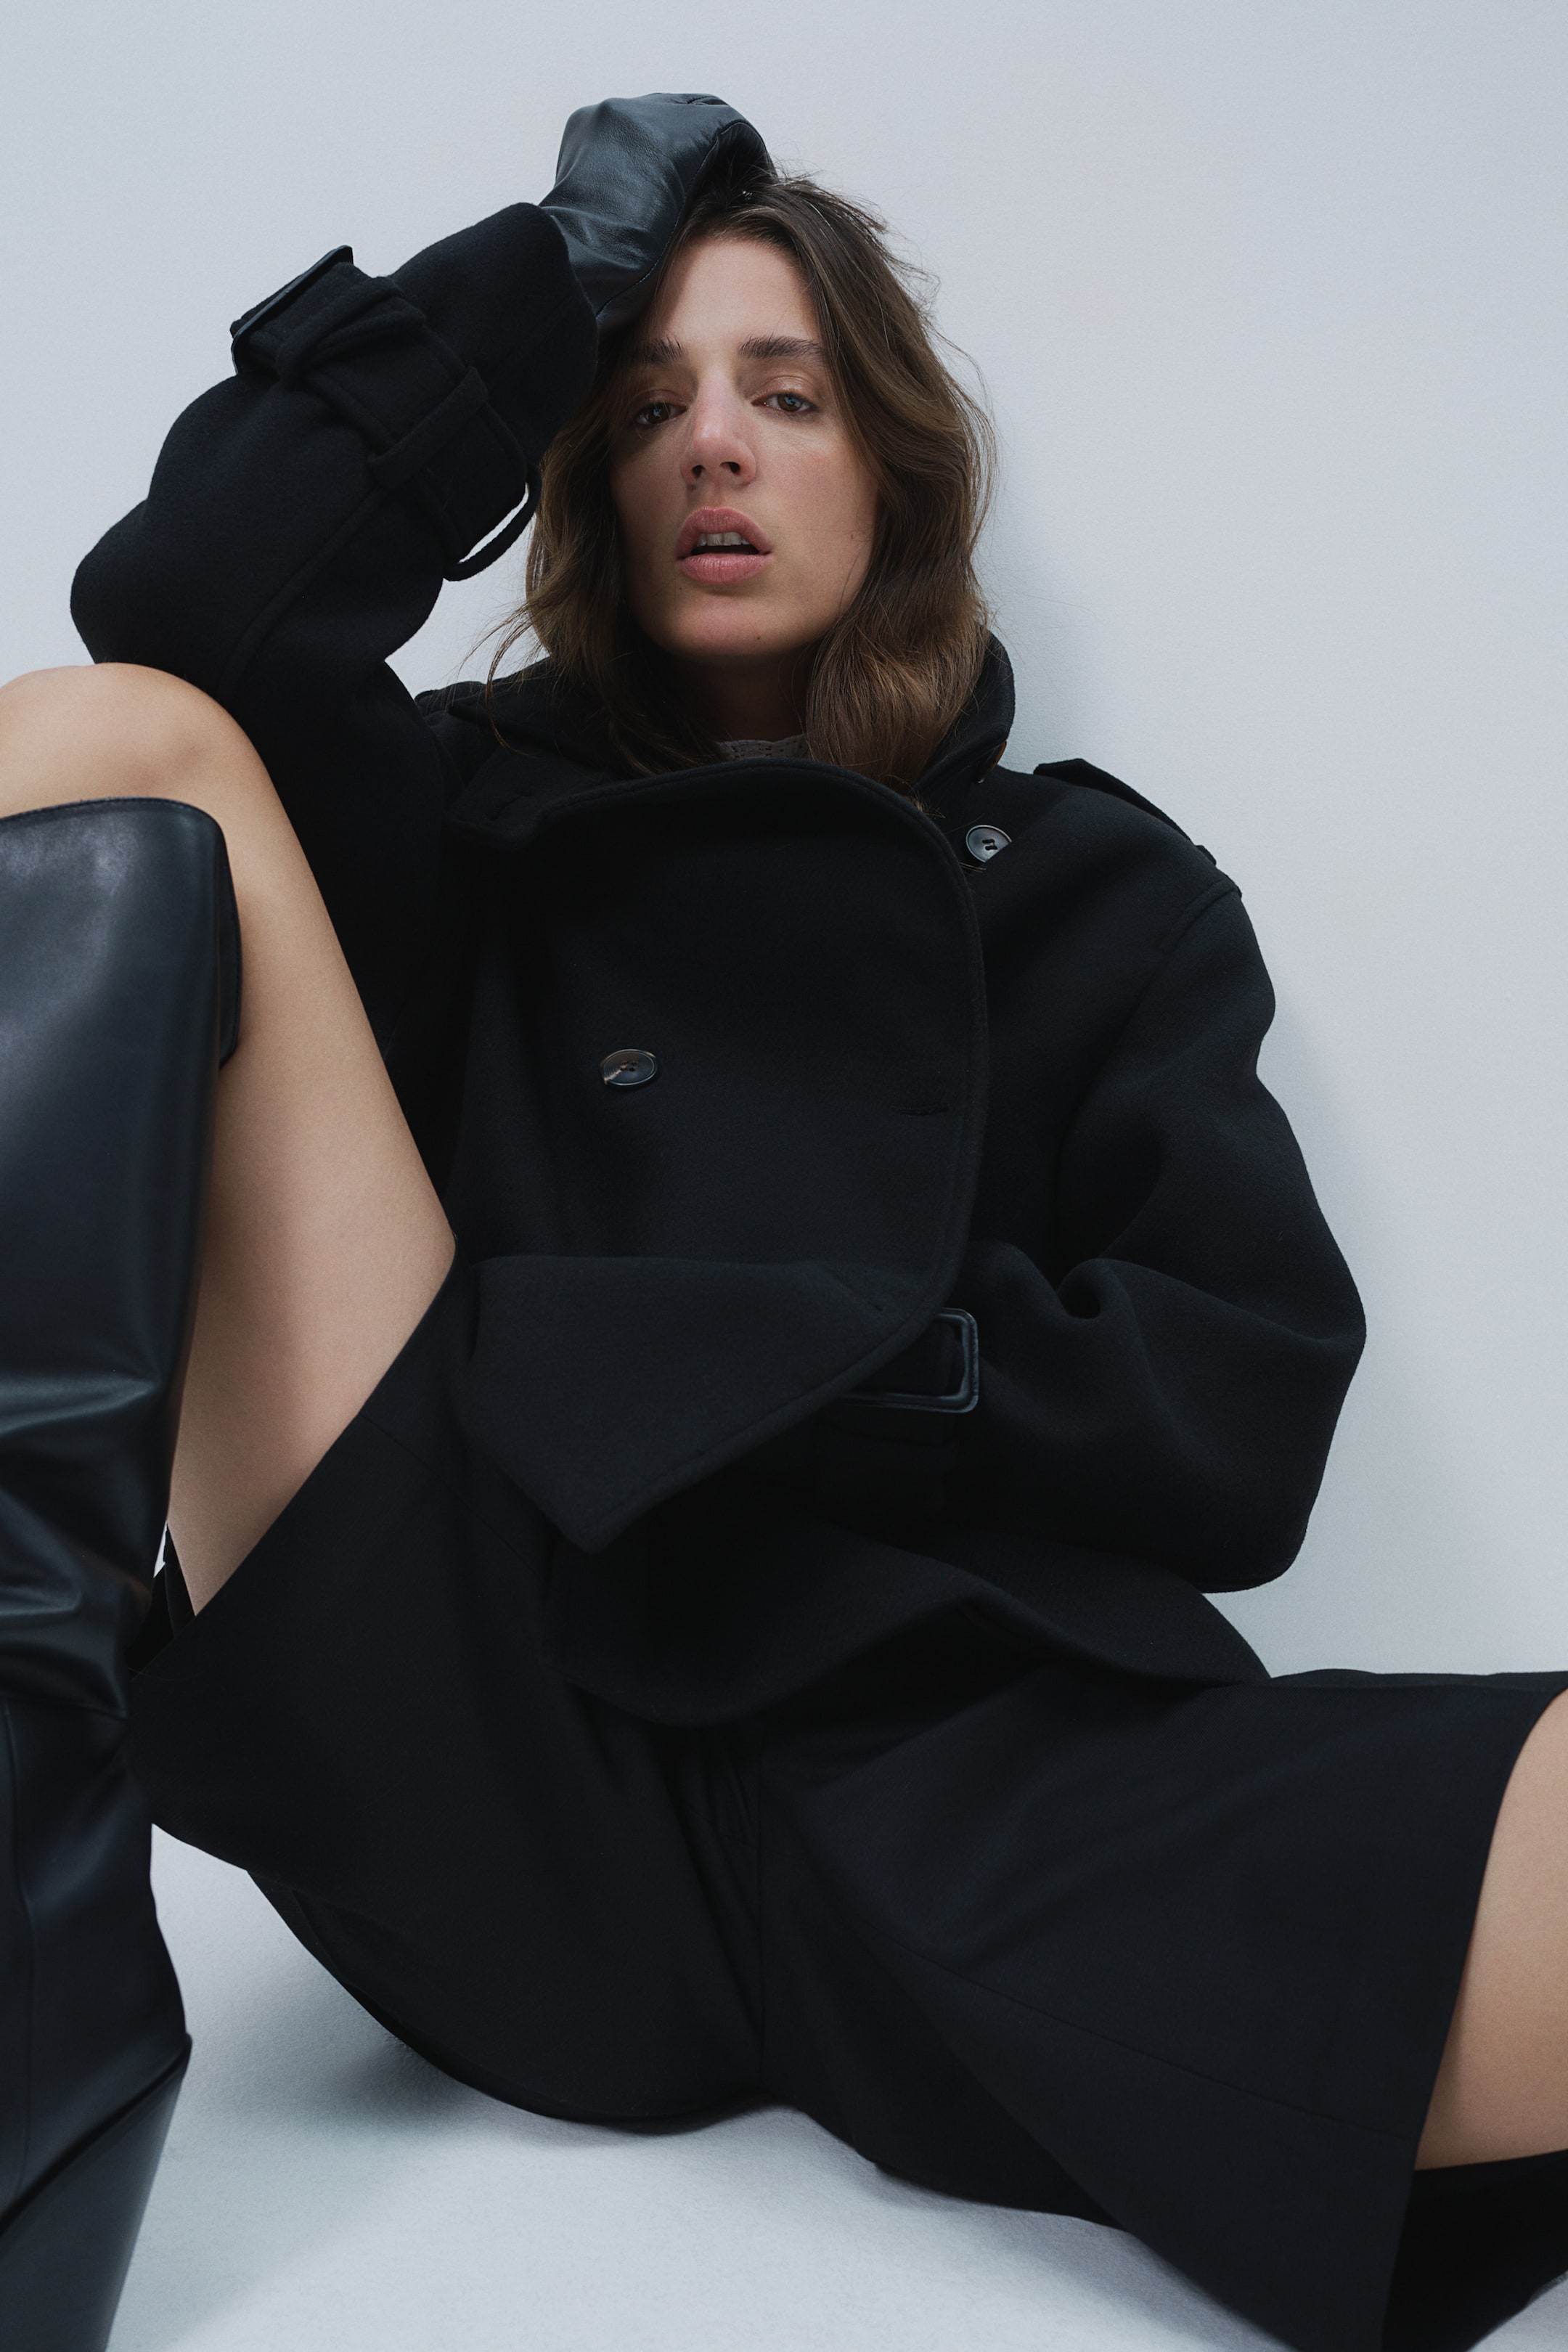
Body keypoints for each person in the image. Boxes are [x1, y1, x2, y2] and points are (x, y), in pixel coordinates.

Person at [1, 91, 1565, 2352]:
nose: (716, 445)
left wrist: (767, 1365)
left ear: (892, 476)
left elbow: (1235, 1411)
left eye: (789, 394)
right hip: (478, 1706)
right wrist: (546, 273)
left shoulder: (1105, 892)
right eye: (648, 404)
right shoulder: (459, 824)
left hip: (950, 1779)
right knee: (110, 741)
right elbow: (183, 603)